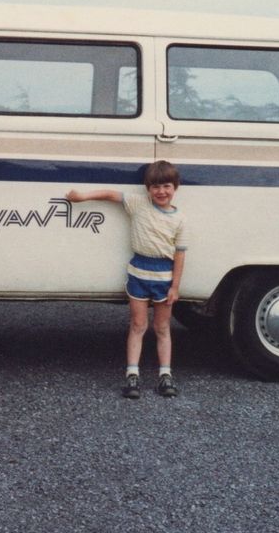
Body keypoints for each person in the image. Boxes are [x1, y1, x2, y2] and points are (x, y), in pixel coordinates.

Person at [66, 160, 188, 399]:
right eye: (155, 187)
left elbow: (180, 254)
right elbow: (111, 194)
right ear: (147, 189)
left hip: (164, 277)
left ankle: (166, 375)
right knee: (137, 325)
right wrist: (82, 196)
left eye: (166, 186)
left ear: (176, 187)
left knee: (162, 327)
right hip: (138, 272)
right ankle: (132, 375)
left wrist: (175, 286)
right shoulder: (138, 204)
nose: (161, 191)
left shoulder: (180, 219)